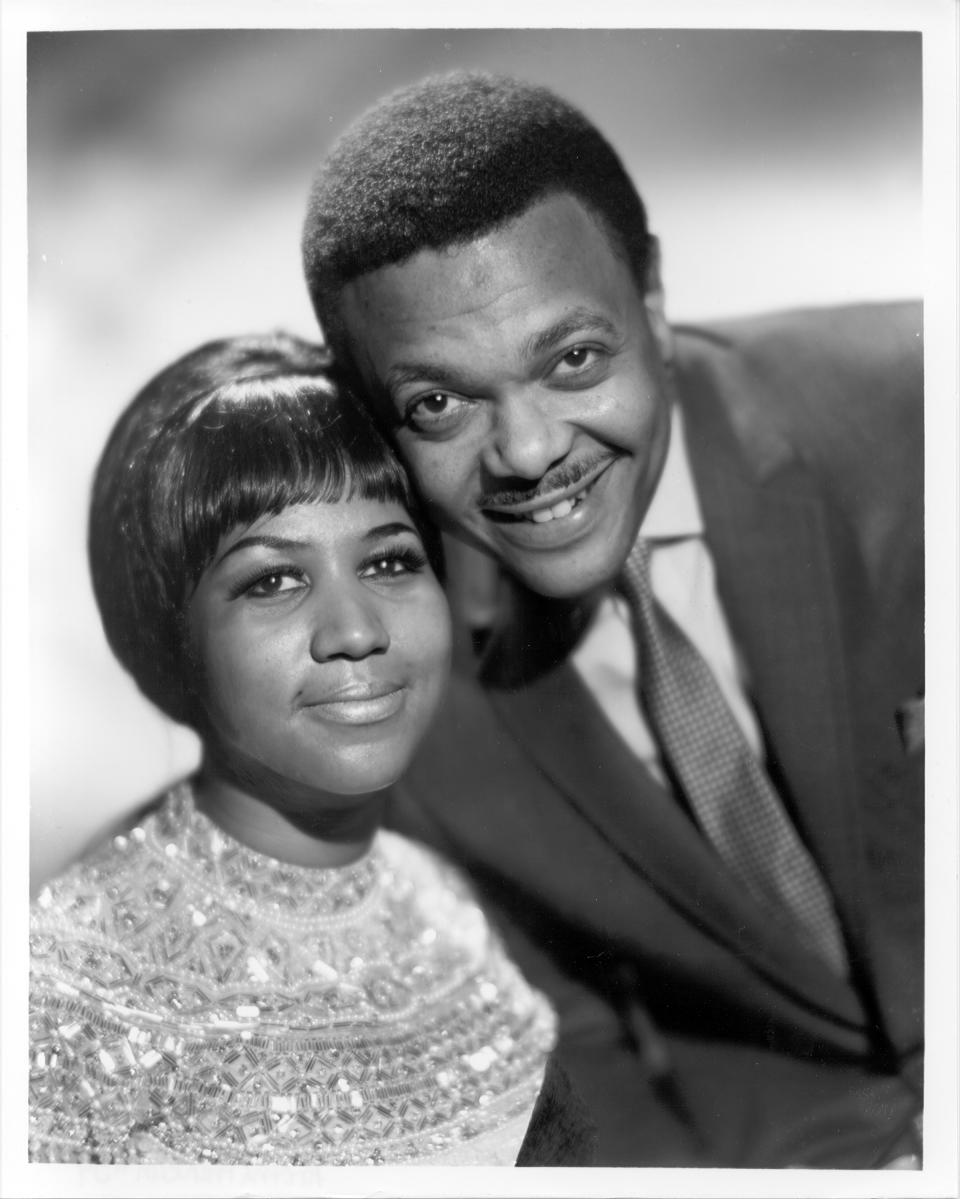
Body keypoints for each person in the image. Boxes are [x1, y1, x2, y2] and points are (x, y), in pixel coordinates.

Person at [300, 72, 924, 1167]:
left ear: (654, 293)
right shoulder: (407, 700)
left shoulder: (920, 419)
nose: (531, 451)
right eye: (440, 403)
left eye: (573, 358)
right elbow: (585, 1068)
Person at [28, 331, 597, 1166]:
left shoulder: (450, 902)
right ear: (169, 633)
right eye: (273, 581)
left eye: (392, 561)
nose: (357, 630)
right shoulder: (67, 982)